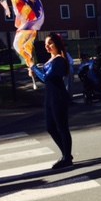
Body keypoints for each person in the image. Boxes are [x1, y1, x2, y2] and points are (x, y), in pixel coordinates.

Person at [29, 33, 73, 169]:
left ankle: (67, 157)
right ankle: (66, 153)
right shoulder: (51, 59)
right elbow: (45, 78)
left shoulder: (60, 60)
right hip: (49, 96)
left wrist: (34, 68)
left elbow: (47, 78)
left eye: (50, 43)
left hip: (58, 96)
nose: (47, 46)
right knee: (50, 127)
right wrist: (33, 72)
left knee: (62, 127)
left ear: (57, 45)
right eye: (46, 44)